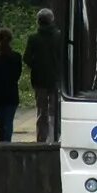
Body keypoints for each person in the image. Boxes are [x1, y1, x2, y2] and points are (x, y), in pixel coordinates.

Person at [24, 8, 62, 143]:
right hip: (56, 79)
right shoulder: (59, 36)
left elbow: (27, 58)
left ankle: (41, 138)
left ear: (38, 21)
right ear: (52, 20)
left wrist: (36, 66)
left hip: (39, 80)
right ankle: (55, 137)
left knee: (41, 110)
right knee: (55, 111)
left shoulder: (33, 38)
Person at [0, 28, 22, 142]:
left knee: (0, 121)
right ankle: (7, 143)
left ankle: (2, 141)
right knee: (8, 121)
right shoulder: (17, 57)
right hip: (12, 93)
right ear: (11, 40)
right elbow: (17, 75)